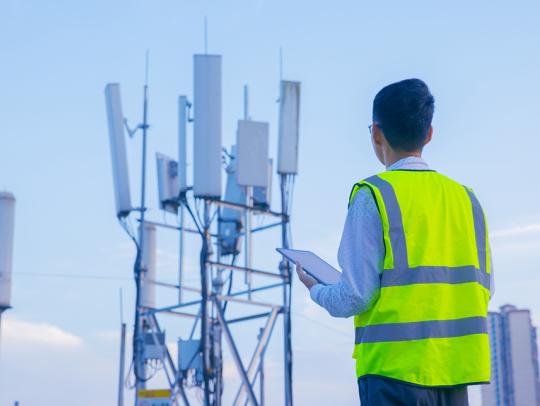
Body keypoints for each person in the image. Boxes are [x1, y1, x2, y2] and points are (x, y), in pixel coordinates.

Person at [295, 79, 493, 406]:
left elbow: (354, 296)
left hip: (392, 375)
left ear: (376, 132)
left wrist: (315, 289)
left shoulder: (372, 195)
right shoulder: (466, 200)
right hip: (455, 374)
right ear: (429, 133)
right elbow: (483, 288)